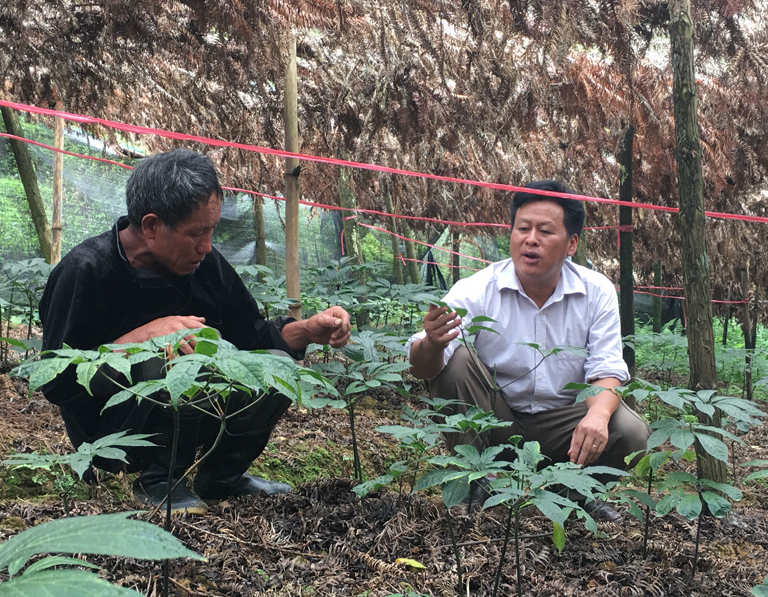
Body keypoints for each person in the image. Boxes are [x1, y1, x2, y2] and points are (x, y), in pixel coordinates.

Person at [39, 149, 351, 514]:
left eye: (211, 230)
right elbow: (57, 382)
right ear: (151, 226)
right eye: (196, 233)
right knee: (182, 358)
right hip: (110, 432)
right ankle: (157, 479)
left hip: (196, 416)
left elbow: (248, 337)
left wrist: (308, 330)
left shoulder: (204, 265)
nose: (207, 246)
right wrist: (144, 338)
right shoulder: (86, 270)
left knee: (279, 367)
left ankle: (221, 478)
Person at [406, 180, 648, 521]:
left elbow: (606, 368)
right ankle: (475, 483)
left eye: (545, 231)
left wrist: (597, 416)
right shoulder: (479, 289)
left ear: (571, 244)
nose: (531, 239)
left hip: (564, 427)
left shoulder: (596, 292)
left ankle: (570, 497)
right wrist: (432, 344)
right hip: (492, 421)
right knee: (455, 360)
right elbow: (421, 368)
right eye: (522, 228)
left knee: (630, 431)